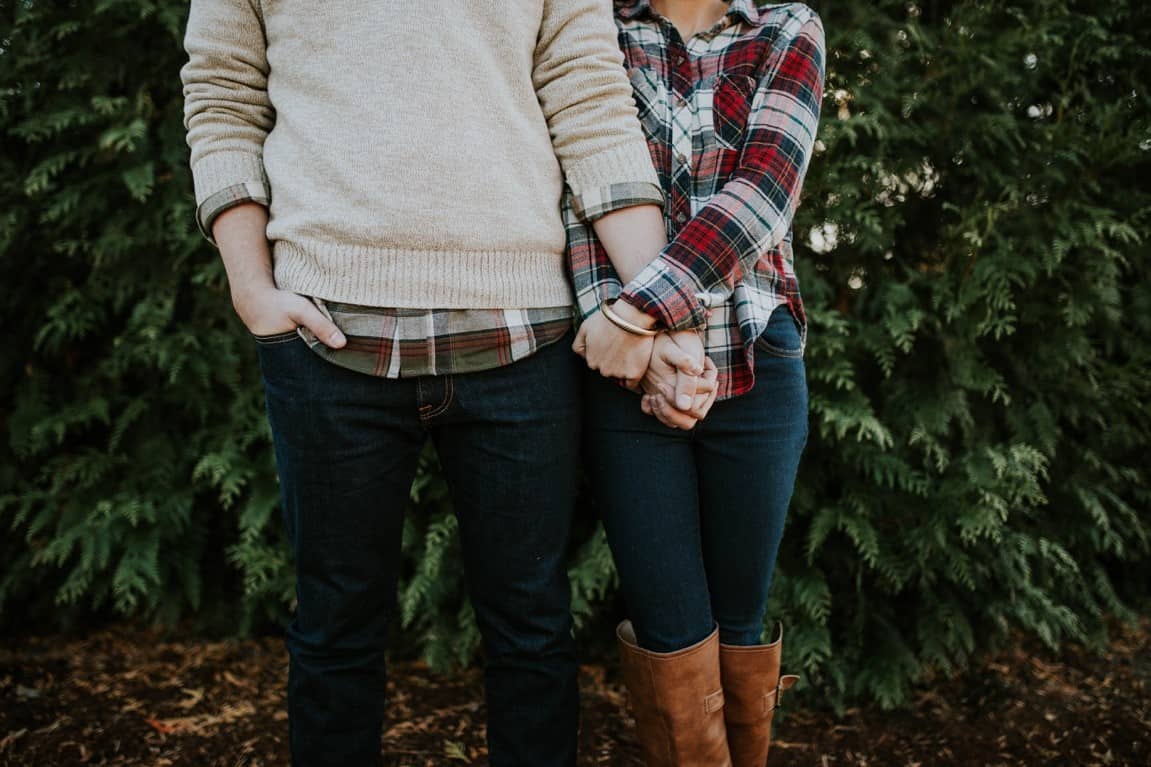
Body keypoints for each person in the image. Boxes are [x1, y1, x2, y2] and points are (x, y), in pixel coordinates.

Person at [180, 2, 674, 765]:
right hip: (326, 338)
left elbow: (590, 104)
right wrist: (251, 286)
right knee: (335, 628)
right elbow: (221, 94)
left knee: (532, 631)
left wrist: (657, 306)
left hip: (522, 337)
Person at [566, 1, 826, 765]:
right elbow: (578, 189)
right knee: (670, 631)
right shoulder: (593, 28)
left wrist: (641, 314)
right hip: (625, 373)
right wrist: (639, 346)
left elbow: (763, 193)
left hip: (755, 355)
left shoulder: (784, 27)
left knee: (739, 624)